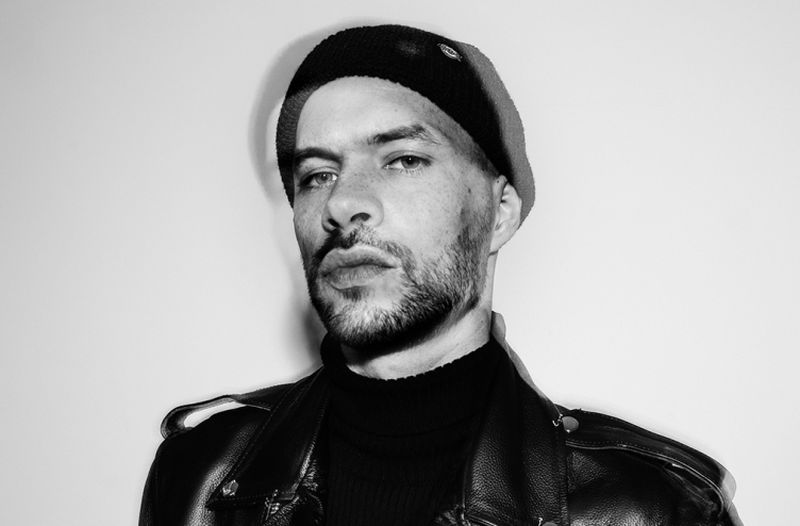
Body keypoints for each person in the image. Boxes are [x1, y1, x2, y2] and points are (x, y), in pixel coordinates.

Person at [139, 24, 742, 526]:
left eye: (403, 160)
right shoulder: (200, 475)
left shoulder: (651, 508)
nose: (342, 203)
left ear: (499, 213)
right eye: (317, 174)